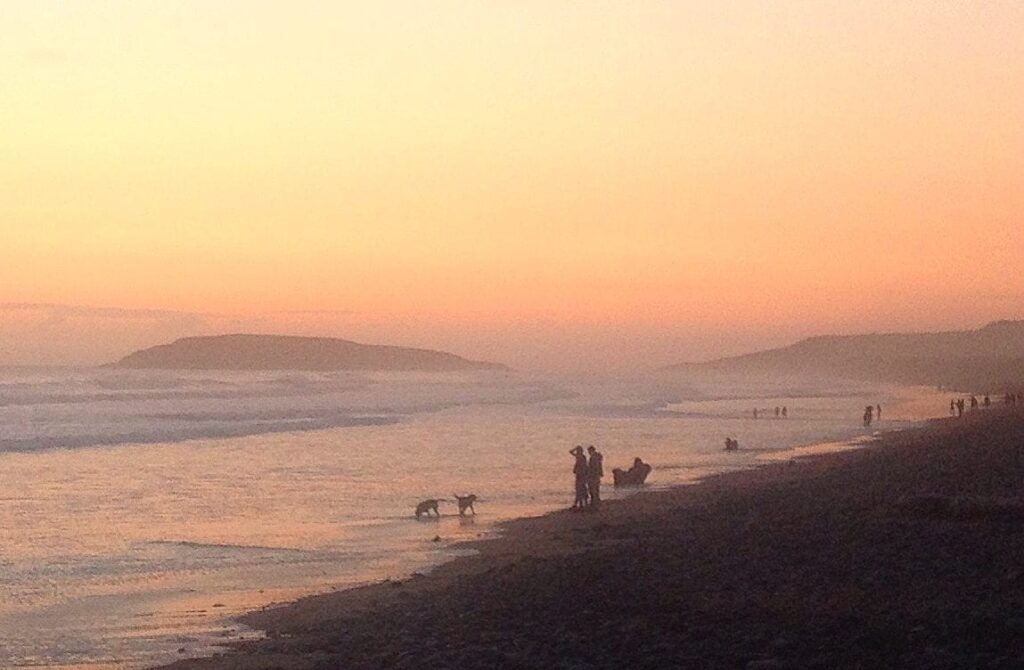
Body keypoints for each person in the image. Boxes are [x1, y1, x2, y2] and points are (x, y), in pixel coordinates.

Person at [569, 446, 589, 510]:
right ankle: (582, 504)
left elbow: (570, 452)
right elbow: (571, 452)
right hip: (582, 475)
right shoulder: (582, 457)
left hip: (580, 476)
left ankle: (580, 504)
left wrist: (575, 448)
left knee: (579, 489)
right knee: (582, 489)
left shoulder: (580, 457)